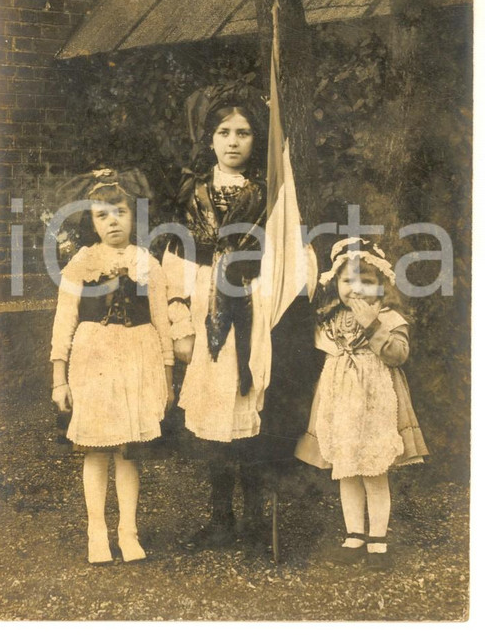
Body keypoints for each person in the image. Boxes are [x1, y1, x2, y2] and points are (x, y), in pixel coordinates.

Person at [162, 82, 272, 550]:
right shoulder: (194, 192)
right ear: (210, 139)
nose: (233, 141)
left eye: (243, 132)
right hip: (208, 308)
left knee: (249, 411)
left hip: (253, 307)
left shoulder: (270, 195)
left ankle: (254, 519)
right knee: (213, 417)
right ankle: (219, 516)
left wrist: (267, 295)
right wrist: (180, 323)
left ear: (255, 139)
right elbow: (177, 264)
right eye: (224, 132)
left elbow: (287, 257)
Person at [50, 168, 174, 565]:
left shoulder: (146, 263)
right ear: (92, 221)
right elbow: (63, 323)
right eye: (103, 215)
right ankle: (96, 532)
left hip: (138, 359)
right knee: (96, 451)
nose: (113, 221)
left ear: (133, 215)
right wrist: (59, 378)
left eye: (120, 211)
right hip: (94, 360)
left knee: (128, 452)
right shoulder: (80, 263)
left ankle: (129, 531)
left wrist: (167, 378)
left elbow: (162, 323)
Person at [295, 237, 429, 569]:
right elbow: (325, 353)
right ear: (335, 284)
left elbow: (397, 356)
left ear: (382, 286)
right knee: (347, 470)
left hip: (376, 400)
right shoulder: (331, 318)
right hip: (341, 400)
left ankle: (378, 540)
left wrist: (372, 324)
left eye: (365, 282)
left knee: (373, 469)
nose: (355, 290)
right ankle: (354, 535)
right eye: (347, 281)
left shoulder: (390, 318)